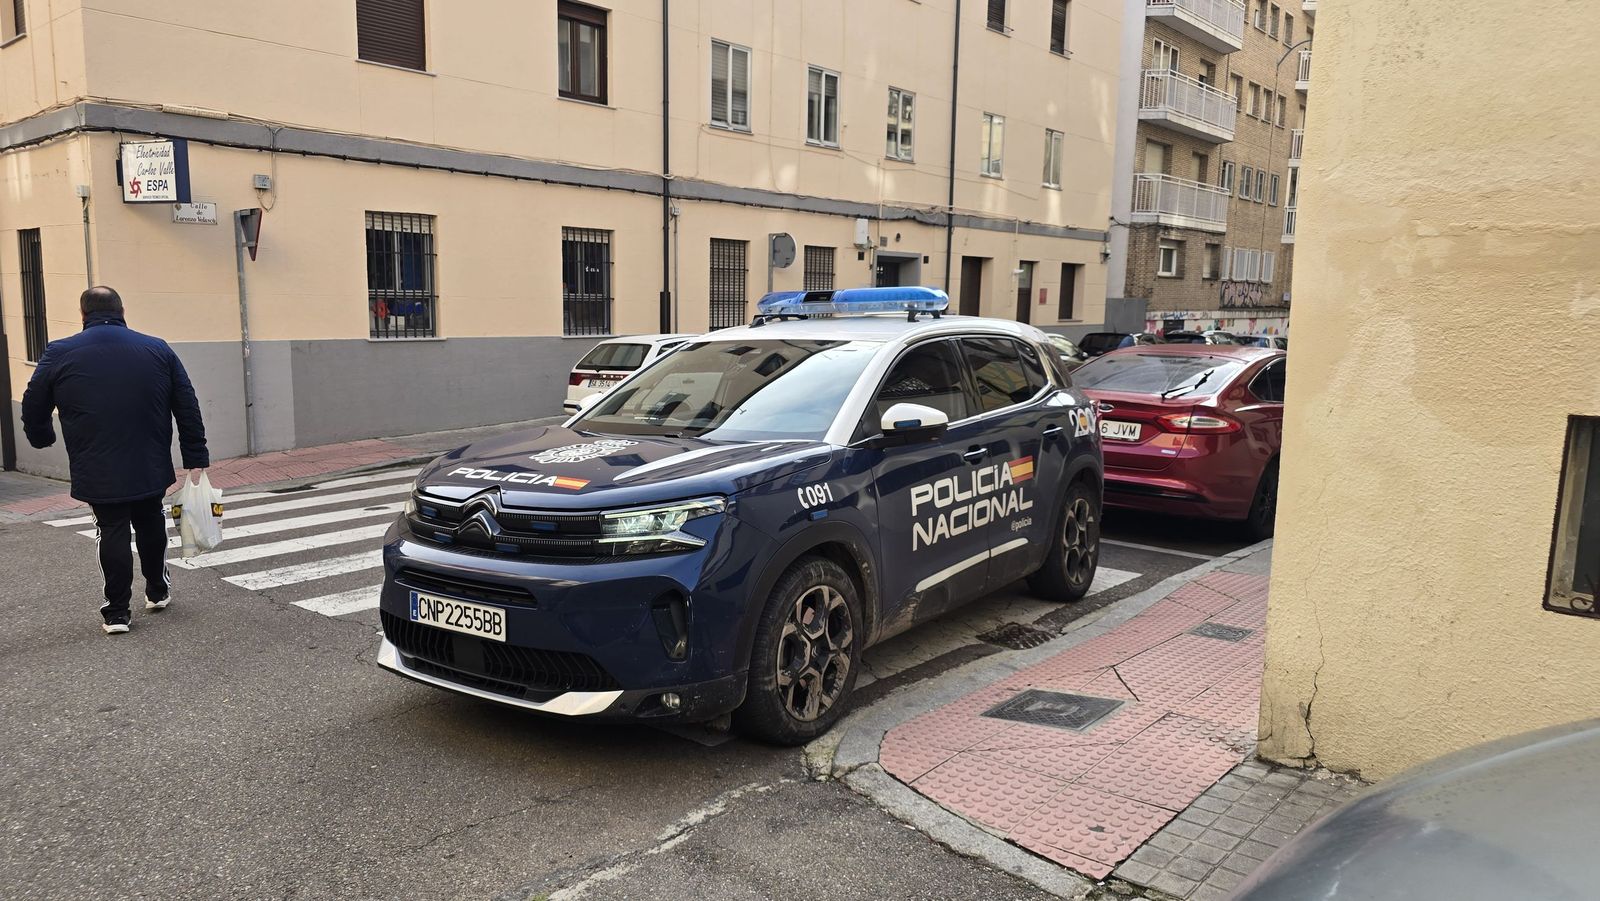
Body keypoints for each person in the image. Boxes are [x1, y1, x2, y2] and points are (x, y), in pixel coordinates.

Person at [21, 286, 209, 634]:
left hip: (96, 462)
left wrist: (42, 437)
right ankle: (157, 589)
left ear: (83, 315)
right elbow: (186, 404)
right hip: (149, 459)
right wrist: (195, 455)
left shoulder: (60, 352)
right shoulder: (156, 348)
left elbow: (34, 402)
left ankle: (118, 612)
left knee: (111, 530)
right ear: (122, 311)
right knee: (151, 521)